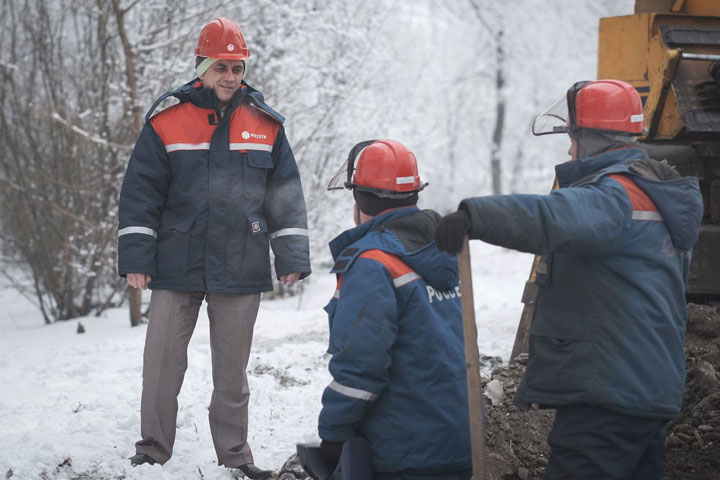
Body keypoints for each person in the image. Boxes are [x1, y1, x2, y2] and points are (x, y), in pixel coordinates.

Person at [435, 79, 703, 479]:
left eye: (573, 137)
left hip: (606, 397)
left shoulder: (615, 197)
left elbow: (552, 216)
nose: (569, 149)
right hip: (646, 391)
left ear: (593, 138)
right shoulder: (657, 195)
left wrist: (475, 217)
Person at [117, 17, 311, 479]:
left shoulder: (266, 125)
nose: (231, 77)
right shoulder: (166, 121)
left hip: (241, 262)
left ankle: (236, 456)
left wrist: (292, 257)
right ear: (202, 67)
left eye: (238, 68)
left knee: (232, 371)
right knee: (161, 363)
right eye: (222, 67)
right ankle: (152, 450)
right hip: (175, 261)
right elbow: (140, 194)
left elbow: (285, 192)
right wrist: (137, 260)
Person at [317, 140, 472, 480]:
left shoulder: (371, 263)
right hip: (463, 439)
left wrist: (333, 435)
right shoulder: (447, 247)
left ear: (359, 198)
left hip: (405, 450)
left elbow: (360, 365)